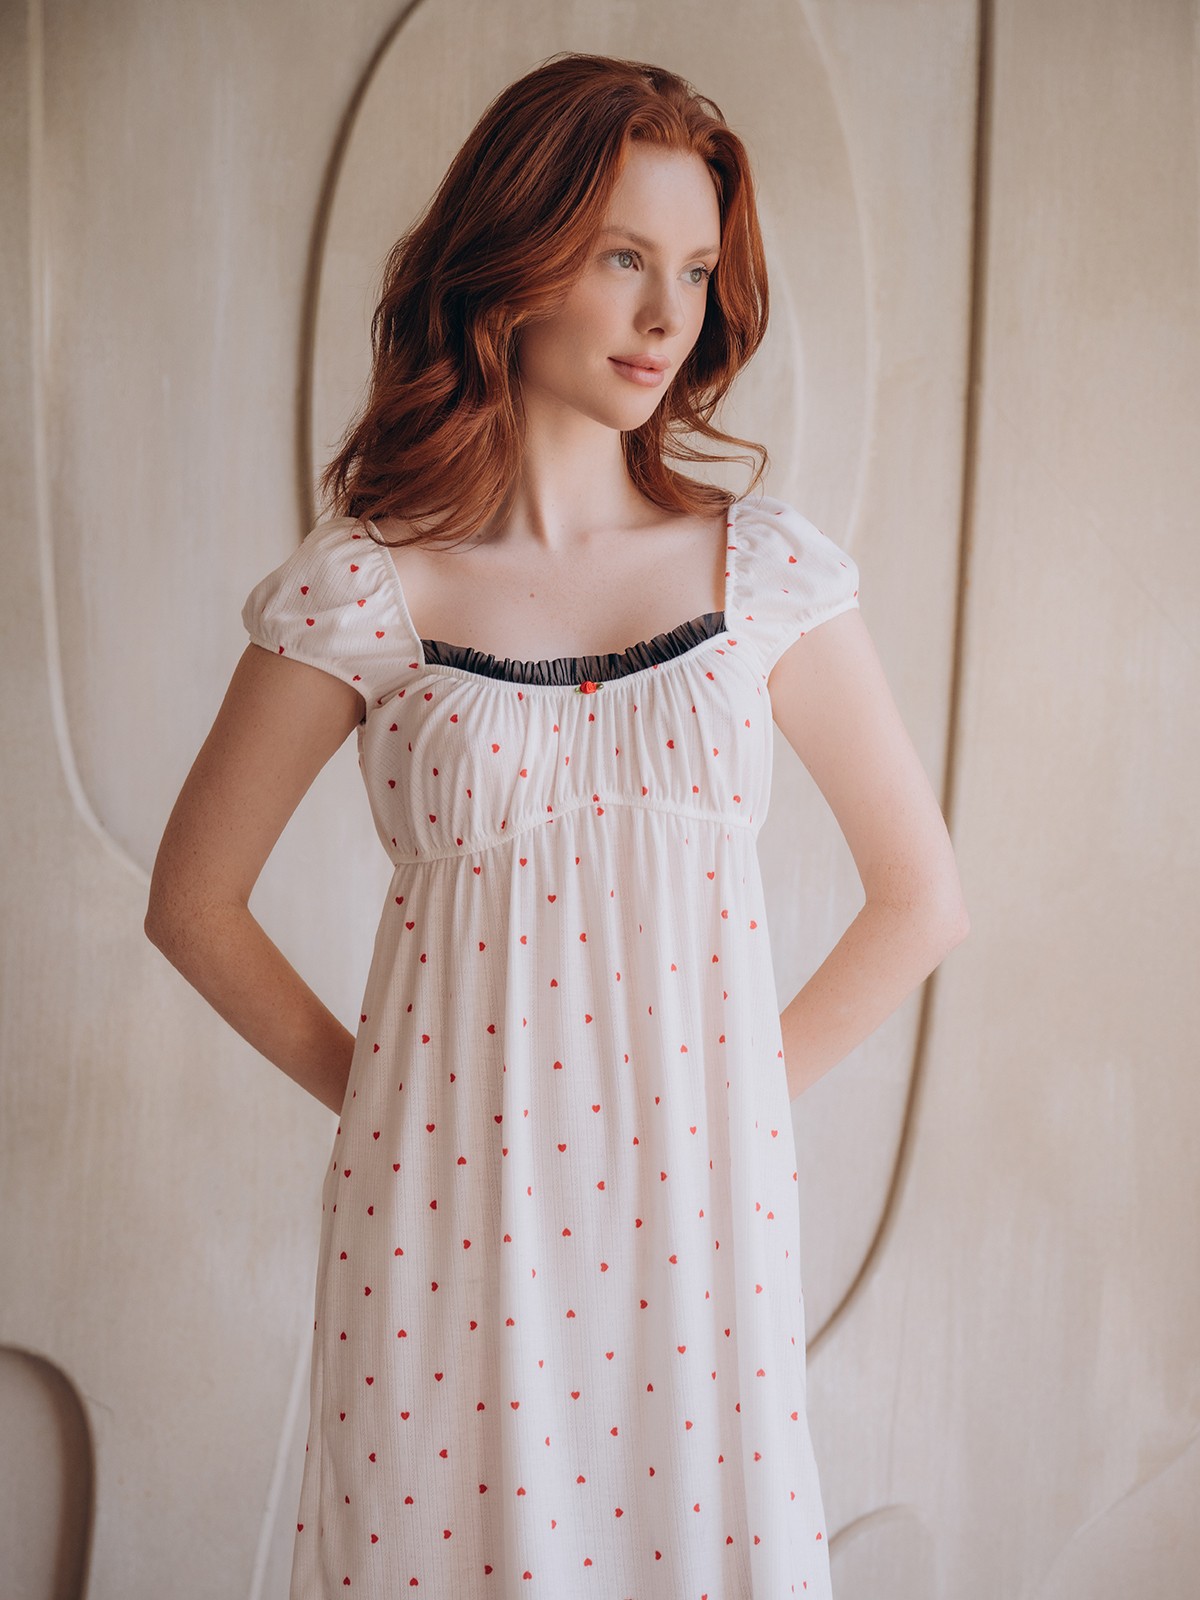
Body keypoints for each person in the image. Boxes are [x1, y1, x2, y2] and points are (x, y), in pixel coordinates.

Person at [145, 50, 967, 1600]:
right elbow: (193, 903)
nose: (669, 316)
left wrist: (722, 1102)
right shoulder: (368, 585)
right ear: (513, 263)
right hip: (446, 1230)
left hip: (699, 1226)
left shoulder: (764, 571)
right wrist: (404, 1108)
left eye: (698, 270)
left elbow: (921, 897)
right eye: (622, 259)